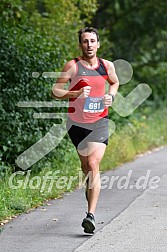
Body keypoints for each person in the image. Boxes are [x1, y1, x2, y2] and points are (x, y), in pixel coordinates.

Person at [51, 27, 119, 234]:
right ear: (80, 44)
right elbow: (55, 91)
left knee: (92, 163)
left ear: (98, 44)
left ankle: (90, 215)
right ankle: (91, 193)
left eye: (92, 41)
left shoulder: (107, 66)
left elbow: (114, 83)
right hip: (77, 124)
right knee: (86, 168)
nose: (89, 45)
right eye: (85, 41)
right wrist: (75, 92)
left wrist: (111, 96)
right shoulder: (73, 66)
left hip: (99, 121)